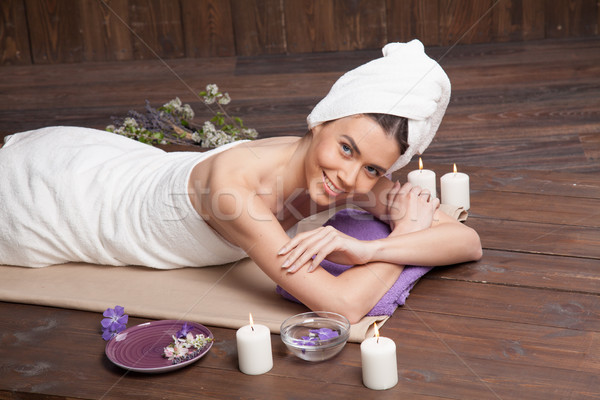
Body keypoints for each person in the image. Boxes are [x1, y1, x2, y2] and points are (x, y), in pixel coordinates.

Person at [0, 40, 481, 324]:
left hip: (121, 166)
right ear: (320, 122)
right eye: (346, 148)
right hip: (54, 197)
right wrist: (409, 235)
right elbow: (342, 306)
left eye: (374, 170)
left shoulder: (351, 176)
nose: (350, 178)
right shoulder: (235, 190)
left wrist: (373, 250)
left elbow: (466, 241)